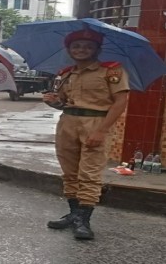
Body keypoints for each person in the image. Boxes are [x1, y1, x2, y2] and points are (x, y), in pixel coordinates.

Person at [42, 29, 130, 240]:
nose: (82, 50)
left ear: (97, 50)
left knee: (89, 174)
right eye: (77, 46)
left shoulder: (111, 71)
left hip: (96, 122)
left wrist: (101, 131)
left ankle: (84, 220)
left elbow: (121, 102)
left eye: (88, 46)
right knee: (69, 172)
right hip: (68, 123)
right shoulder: (66, 74)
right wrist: (53, 101)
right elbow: (63, 103)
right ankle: (73, 214)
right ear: (69, 50)